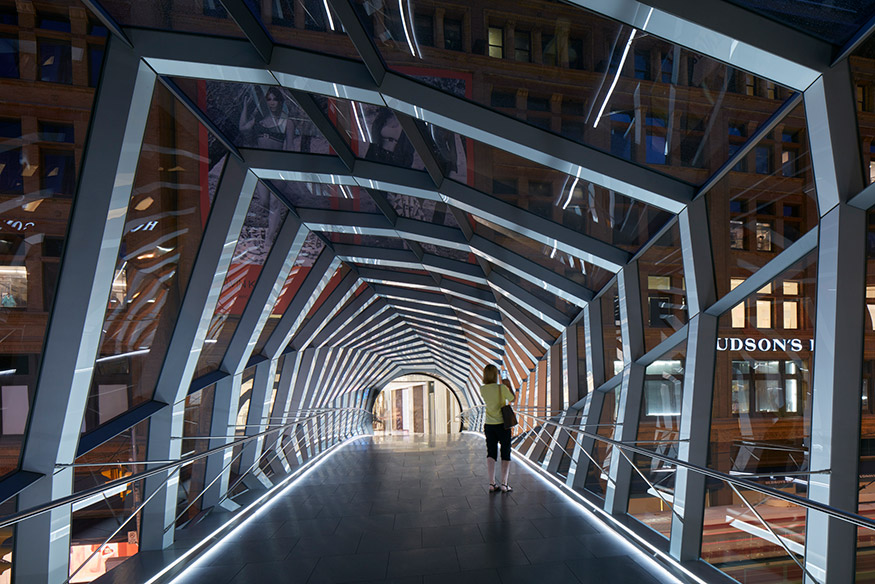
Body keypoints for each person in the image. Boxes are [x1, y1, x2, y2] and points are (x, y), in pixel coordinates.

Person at [479, 364, 516, 493]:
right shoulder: (502, 388)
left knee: (491, 453)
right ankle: (504, 485)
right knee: (505, 452)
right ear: (496, 375)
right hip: (503, 425)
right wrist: (508, 384)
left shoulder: (482, 389)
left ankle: (491, 483)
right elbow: (513, 398)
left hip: (489, 425)